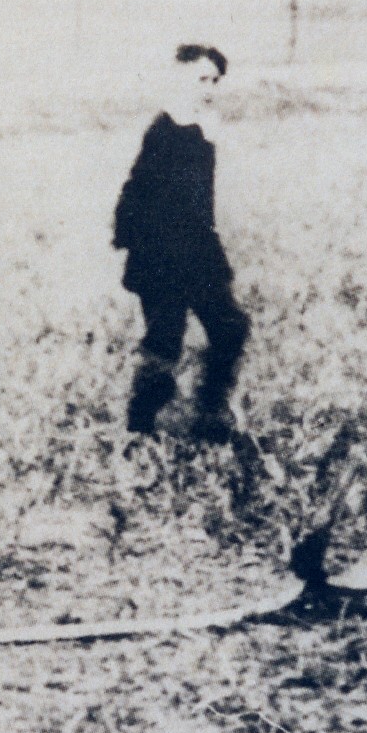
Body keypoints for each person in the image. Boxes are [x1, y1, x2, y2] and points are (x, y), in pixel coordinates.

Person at [112, 44, 250, 444]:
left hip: (198, 250)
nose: (209, 88)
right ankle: (139, 427)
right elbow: (136, 188)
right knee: (164, 341)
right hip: (162, 254)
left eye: (215, 80)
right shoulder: (165, 129)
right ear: (181, 79)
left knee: (229, 328)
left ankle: (209, 414)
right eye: (201, 79)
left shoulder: (206, 125)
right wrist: (137, 245)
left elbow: (199, 198)